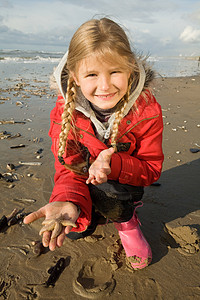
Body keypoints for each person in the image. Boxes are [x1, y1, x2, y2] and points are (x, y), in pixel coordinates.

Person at [24, 17, 164, 270]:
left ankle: (128, 222)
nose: (104, 85)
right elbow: (67, 168)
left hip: (123, 182)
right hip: (84, 178)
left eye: (115, 72)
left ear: (130, 69)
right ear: (75, 77)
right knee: (76, 227)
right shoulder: (64, 111)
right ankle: (91, 208)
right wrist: (68, 200)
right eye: (91, 74)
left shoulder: (147, 110)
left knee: (115, 197)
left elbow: (151, 170)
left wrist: (114, 164)